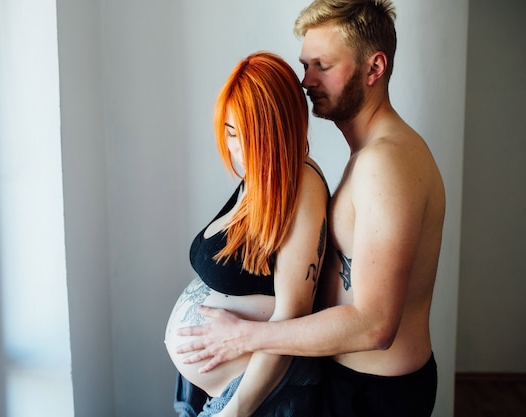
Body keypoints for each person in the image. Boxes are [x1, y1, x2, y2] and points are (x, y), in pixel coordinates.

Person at [176, 1, 446, 416]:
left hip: (373, 396)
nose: (305, 81)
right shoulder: (369, 155)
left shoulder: (386, 163)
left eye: (322, 65)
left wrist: (246, 336)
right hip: (353, 384)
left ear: (374, 69)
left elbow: (374, 325)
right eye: (306, 65)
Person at [164, 51, 329, 416]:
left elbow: (292, 318)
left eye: (248, 135)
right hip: (212, 388)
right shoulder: (254, 180)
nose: (237, 148)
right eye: (230, 131)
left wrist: (235, 410)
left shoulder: (301, 186)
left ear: (279, 128)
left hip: (255, 396)